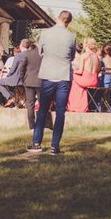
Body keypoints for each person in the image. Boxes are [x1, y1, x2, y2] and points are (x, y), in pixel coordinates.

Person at [28, 11, 76, 154]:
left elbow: (40, 52)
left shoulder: (46, 33)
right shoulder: (72, 37)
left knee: (43, 109)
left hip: (48, 75)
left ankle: (37, 143)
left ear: (57, 18)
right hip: (63, 77)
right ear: (69, 22)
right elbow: (72, 57)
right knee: (60, 112)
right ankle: (55, 146)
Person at [20, 42, 53, 130]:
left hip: (29, 81)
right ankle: (45, 124)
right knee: (43, 103)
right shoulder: (45, 54)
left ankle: (32, 126)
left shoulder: (28, 53)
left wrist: (23, 79)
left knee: (30, 104)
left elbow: (22, 67)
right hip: (41, 81)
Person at [67, 37, 101, 112]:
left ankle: (76, 107)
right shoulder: (96, 56)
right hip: (94, 80)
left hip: (86, 80)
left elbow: (80, 71)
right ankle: (82, 106)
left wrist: (73, 71)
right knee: (78, 81)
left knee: (74, 80)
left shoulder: (84, 55)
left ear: (86, 45)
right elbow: (98, 70)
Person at [0, 39, 31, 107]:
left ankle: (10, 98)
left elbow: (13, 69)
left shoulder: (19, 55)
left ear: (21, 46)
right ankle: (16, 99)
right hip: (28, 79)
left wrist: (8, 75)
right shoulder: (32, 55)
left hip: (17, 79)